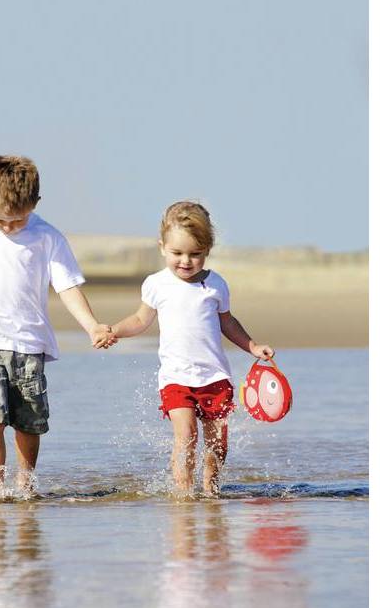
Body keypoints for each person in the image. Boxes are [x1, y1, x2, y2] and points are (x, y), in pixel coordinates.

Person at [0, 155, 113, 493]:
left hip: (30, 345)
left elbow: (68, 286)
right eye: (0, 219)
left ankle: (25, 483)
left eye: (17, 220)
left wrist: (92, 326)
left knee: (30, 422)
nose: (8, 227)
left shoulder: (47, 237)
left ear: (35, 204)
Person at [109, 201, 274, 496]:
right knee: (186, 435)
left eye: (195, 254)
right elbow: (140, 319)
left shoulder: (215, 285)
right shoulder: (156, 284)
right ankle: (183, 493)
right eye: (177, 253)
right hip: (176, 378)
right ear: (162, 247)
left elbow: (228, 323)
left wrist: (252, 346)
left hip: (214, 377)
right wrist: (114, 332)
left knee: (217, 443)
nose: (185, 261)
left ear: (207, 250)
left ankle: (211, 488)